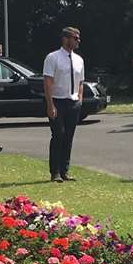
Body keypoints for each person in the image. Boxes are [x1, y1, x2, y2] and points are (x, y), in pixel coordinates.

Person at [43, 26, 84, 182]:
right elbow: (47, 82)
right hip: (57, 100)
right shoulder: (53, 57)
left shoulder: (79, 59)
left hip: (73, 102)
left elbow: (81, 81)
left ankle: (65, 171)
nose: (78, 41)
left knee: (68, 136)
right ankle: (55, 172)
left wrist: (79, 98)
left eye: (78, 38)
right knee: (58, 135)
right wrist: (50, 104)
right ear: (66, 39)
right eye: (75, 38)